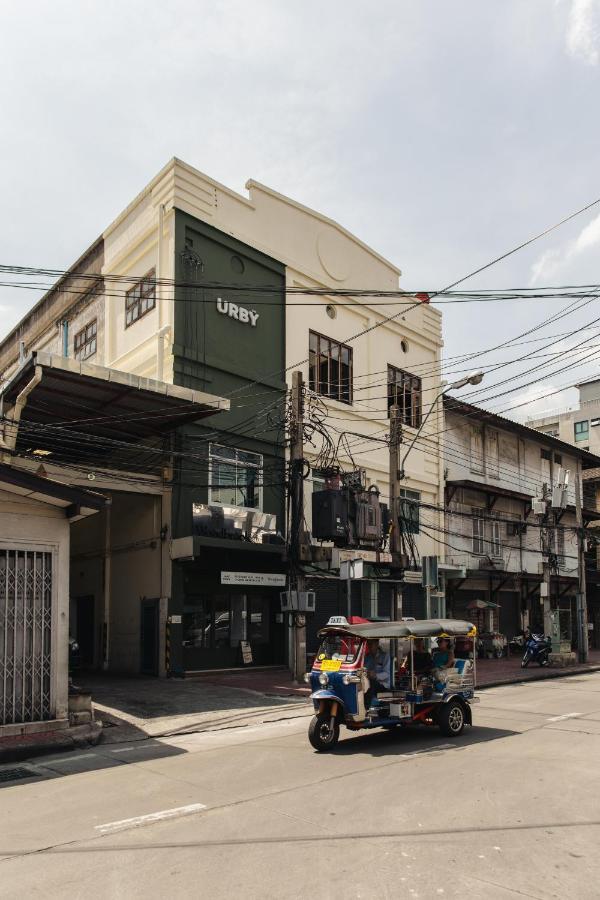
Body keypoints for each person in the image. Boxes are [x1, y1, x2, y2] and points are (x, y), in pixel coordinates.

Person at [364, 638, 391, 708]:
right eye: (368, 644)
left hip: (383, 685)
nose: (369, 646)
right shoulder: (367, 657)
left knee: (371, 683)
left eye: (371, 644)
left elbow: (387, 674)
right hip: (370, 682)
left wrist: (376, 675)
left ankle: (366, 707)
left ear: (376, 644)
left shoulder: (385, 656)